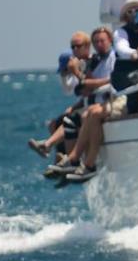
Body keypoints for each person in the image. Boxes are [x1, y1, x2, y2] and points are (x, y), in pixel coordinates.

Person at [44, 26, 118, 182]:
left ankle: (75, 160)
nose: (99, 44)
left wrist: (80, 75)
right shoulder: (95, 62)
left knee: (81, 116)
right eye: (96, 41)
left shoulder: (114, 58)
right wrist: (72, 75)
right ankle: (70, 161)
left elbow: (108, 82)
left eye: (102, 41)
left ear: (110, 41)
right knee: (63, 121)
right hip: (93, 103)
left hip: (108, 100)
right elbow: (79, 89)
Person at [28, 32, 91, 159]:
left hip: (92, 105)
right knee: (53, 124)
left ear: (87, 46)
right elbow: (69, 90)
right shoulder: (76, 67)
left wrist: (75, 71)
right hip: (84, 104)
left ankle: (50, 146)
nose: (75, 49)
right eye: (73, 47)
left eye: (78, 46)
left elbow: (88, 87)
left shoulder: (90, 62)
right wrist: (65, 74)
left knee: (69, 120)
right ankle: (58, 154)